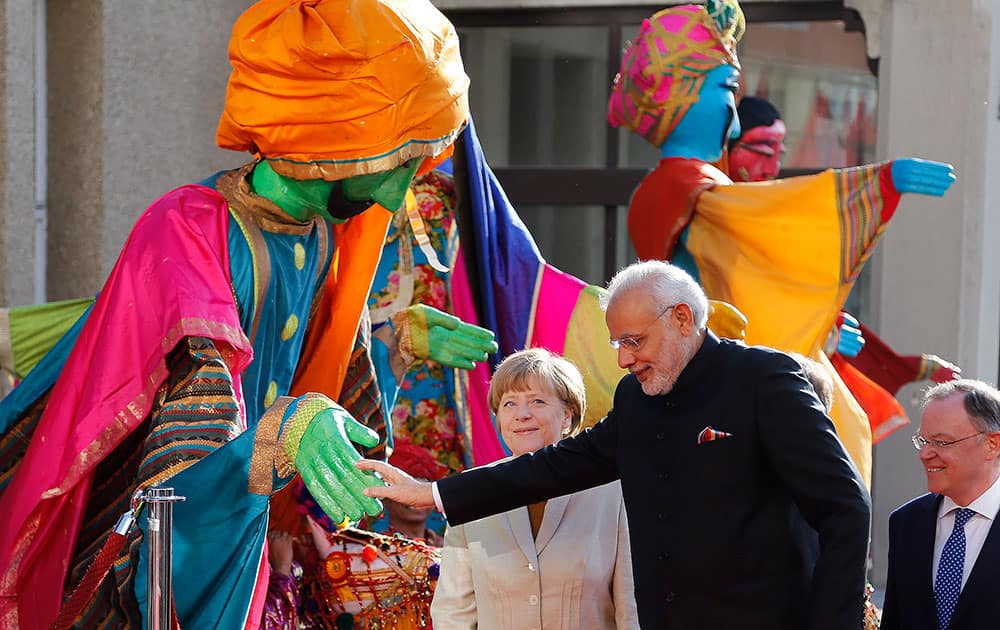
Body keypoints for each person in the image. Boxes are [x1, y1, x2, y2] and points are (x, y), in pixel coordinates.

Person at [0, 2, 498, 628]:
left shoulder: (316, 239)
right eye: (396, 167)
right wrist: (286, 431)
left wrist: (395, 342)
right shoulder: (187, 227)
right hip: (142, 555)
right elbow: (194, 413)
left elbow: (314, 383)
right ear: (332, 148)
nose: (396, 196)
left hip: (243, 540)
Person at [359, 259, 872, 630]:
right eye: (617, 344)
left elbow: (845, 508)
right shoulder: (636, 397)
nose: (624, 360)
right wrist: (432, 495)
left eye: (634, 341)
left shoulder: (765, 379)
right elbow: (557, 466)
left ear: (682, 319)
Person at [609, 0, 956, 488]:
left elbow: (757, 266)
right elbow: (769, 238)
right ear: (681, 95)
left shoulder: (690, 187)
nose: (732, 120)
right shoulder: (687, 188)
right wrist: (875, 186)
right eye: (727, 90)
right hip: (712, 386)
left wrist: (819, 328)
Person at [430, 348, 638, 629]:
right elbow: (452, 613)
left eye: (537, 401)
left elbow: (632, 608)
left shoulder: (613, 493)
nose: (522, 414)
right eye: (509, 404)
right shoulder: (469, 492)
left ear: (567, 416)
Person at [880, 379, 1000, 630]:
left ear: (992, 444)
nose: (925, 454)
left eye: (942, 442)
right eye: (923, 441)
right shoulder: (906, 522)